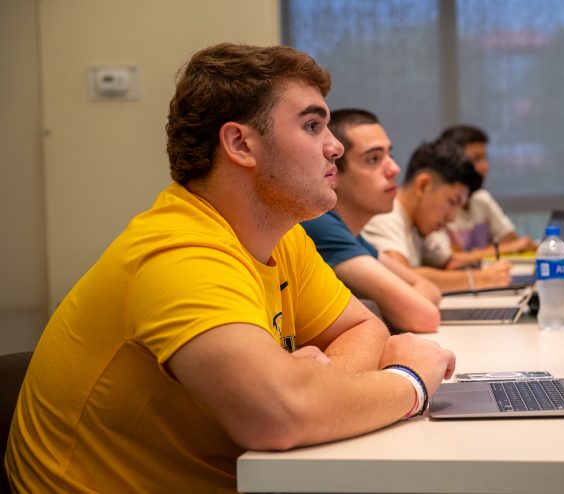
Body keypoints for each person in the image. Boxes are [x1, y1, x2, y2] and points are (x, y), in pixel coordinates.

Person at [4, 43, 456, 493]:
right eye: (313, 125)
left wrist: (318, 384)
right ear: (240, 143)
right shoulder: (178, 252)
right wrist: (408, 381)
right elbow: (278, 418)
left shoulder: (282, 233)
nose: (335, 147)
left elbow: (363, 327)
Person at [302, 109, 441, 333]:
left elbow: (428, 287)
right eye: (373, 159)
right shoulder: (319, 225)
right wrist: (397, 305)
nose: (394, 169)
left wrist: (386, 305)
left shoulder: (353, 234)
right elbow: (424, 316)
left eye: (390, 156)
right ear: (333, 171)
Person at [362, 138, 512, 293]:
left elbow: (449, 262)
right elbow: (400, 278)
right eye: (452, 202)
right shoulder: (385, 214)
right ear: (424, 186)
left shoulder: (421, 223)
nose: (452, 217)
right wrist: (479, 279)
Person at [438, 124, 537, 263]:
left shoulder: (482, 199)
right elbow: (451, 258)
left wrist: (480, 253)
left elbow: (510, 238)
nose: (484, 166)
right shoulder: (439, 206)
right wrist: (502, 249)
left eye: (485, 158)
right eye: (476, 159)